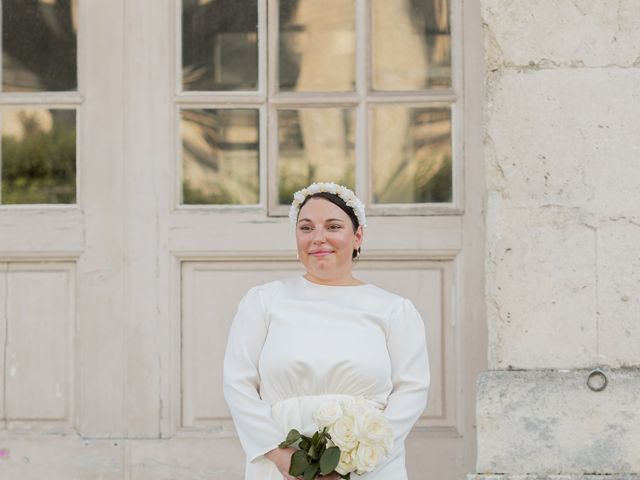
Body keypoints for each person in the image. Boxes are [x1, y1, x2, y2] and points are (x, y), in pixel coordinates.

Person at [223, 182, 430, 480]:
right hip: (281, 466)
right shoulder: (264, 301)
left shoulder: (395, 310)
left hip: (369, 469)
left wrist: (357, 460)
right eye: (306, 228)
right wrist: (281, 457)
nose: (318, 238)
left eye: (333, 226)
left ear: (357, 236)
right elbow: (237, 384)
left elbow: (411, 391)